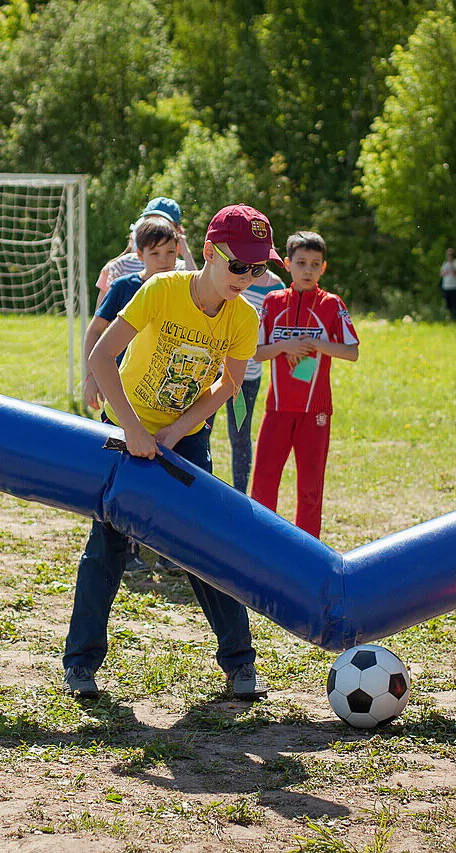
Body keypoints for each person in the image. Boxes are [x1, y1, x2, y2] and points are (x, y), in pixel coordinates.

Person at [63, 203, 280, 703]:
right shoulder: (161, 290)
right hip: (123, 426)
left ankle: (240, 664)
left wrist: (177, 431)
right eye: (237, 265)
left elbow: (228, 384)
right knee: (109, 546)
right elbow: (100, 357)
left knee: (204, 548)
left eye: (257, 268)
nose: (246, 277)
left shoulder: (244, 318)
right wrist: (135, 430)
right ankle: (81, 663)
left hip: (187, 438)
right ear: (207, 252)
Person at [81, 216, 182, 573]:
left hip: (163, 397)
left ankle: (167, 547)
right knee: (125, 471)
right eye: (157, 254)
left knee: (164, 473)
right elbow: (95, 332)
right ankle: (124, 547)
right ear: (139, 255)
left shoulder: (182, 290)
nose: (166, 261)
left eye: (171, 253)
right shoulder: (124, 287)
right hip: (122, 394)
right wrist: (91, 378)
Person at [250, 231, 360, 539]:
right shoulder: (272, 303)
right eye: (301, 263)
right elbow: (256, 353)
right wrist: (286, 347)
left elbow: (352, 352)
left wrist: (315, 342)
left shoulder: (331, 304)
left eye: (315, 264)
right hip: (277, 409)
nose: (308, 270)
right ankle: (261, 544)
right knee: (264, 481)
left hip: (316, 412)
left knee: (311, 487)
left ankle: (308, 551)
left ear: (323, 268)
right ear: (287, 265)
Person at [225, 268, 285, 494]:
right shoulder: (230, 273)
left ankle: (238, 495)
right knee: (199, 432)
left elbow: (278, 330)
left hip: (247, 376)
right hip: (211, 370)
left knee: (240, 435)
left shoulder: (276, 287)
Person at [93, 197, 197, 298]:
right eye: (149, 222)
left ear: (177, 231)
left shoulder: (181, 268)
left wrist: (186, 253)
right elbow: (102, 313)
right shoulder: (121, 266)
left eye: (163, 224)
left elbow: (196, 294)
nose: (155, 230)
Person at [440, 247, 456, 320]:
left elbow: (455, 272)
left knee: (455, 302)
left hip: (454, 286)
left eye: (451, 254)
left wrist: (451, 264)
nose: (449, 256)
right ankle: (449, 315)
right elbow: (441, 274)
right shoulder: (445, 263)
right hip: (446, 286)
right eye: (448, 254)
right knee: (448, 303)